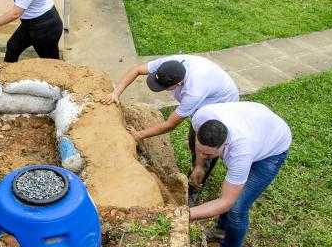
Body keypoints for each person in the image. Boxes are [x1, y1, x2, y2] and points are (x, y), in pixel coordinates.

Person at [102, 55, 239, 200]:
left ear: (179, 84)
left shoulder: (194, 91)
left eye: (165, 87)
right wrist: (115, 93)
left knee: (205, 145)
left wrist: (139, 135)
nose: (161, 88)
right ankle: (197, 169)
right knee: (194, 143)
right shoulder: (169, 65)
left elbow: (170, 124)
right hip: (208, 96)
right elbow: (136, 70)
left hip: (221, 106)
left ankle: (194, 187)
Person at [187, 102, 291, 247]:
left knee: (237, 207)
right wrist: (199, 165)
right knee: (233, 192)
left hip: (272, 148)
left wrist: (186, 214)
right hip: (255, 122)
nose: (201, 154)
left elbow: (226, 202)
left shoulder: (241, 152)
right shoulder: (201, 117)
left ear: (225, 145)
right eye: (199, 149)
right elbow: (200, 146)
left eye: (207, 154)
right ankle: (220, 231)